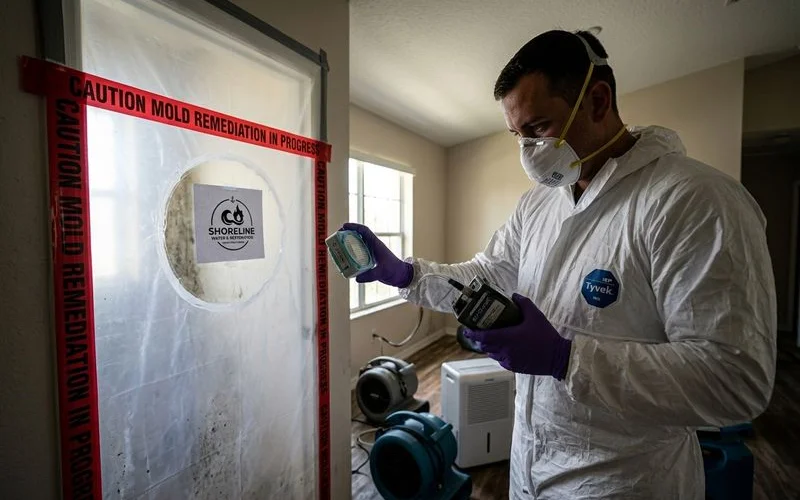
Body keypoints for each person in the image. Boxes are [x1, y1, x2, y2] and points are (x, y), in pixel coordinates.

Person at [342, 30, 777, 499]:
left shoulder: (693, 200)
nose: (527, 150)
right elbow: (488, 276)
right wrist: (407, 275)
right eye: (516, 135)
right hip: (531, 464)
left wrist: (566, 358)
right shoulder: (538, 205)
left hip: (626, 480)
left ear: (597, 100)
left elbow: (733, 379)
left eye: (538, 128)